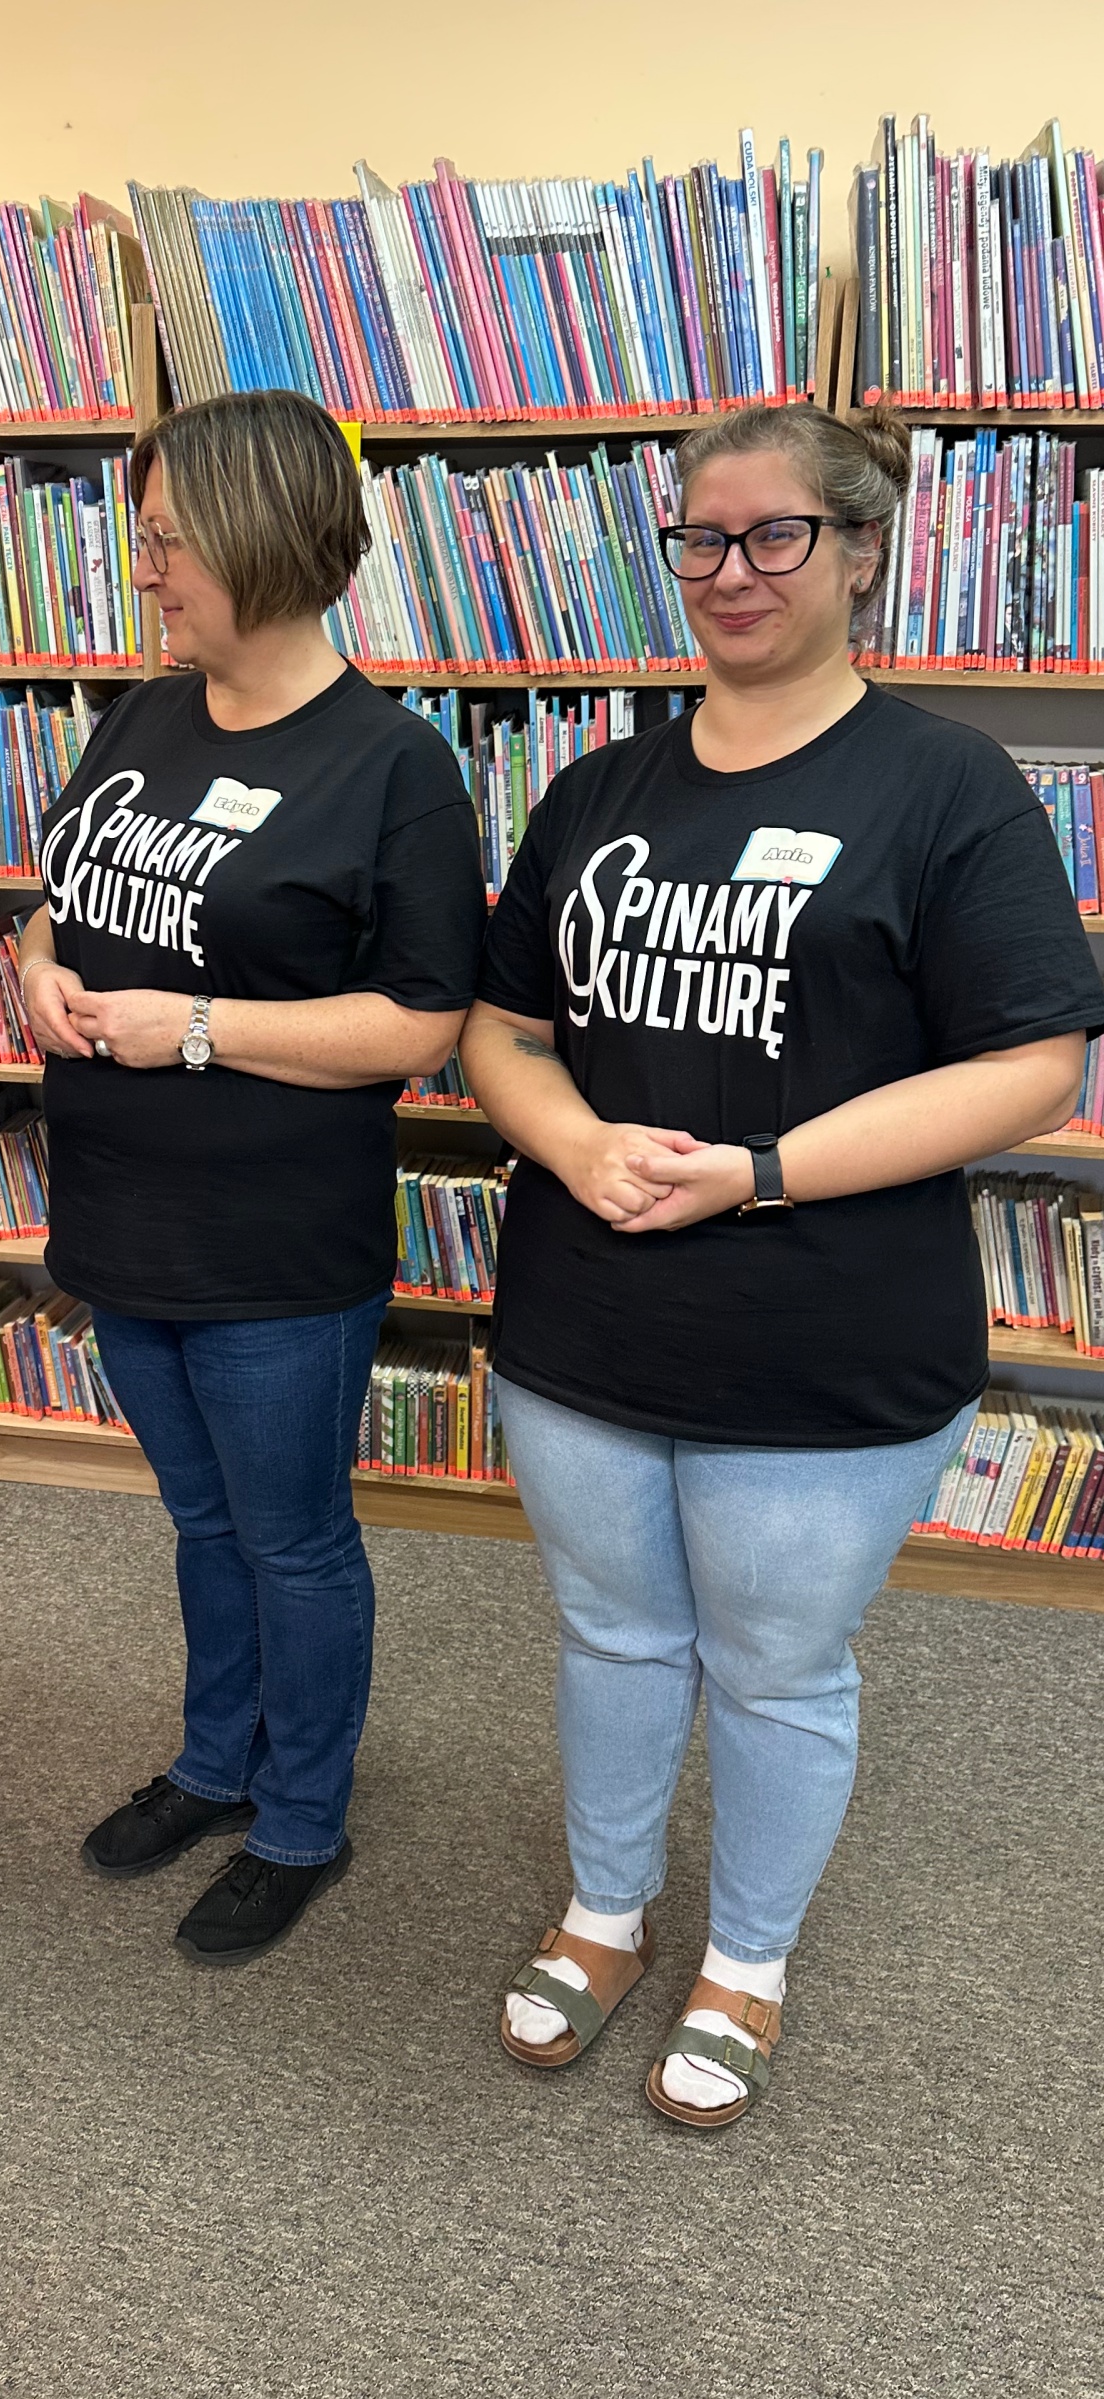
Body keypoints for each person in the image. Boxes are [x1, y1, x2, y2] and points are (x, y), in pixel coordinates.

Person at [461, 400, 1104, 2127]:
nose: (730, 570)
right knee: (612, 1636)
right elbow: (500, 1030)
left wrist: (760, 1174)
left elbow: (1035, 1062)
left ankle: (746, 1961)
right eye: (701, 536)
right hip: (586, 1320)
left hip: (827, 1338)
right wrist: (569, 1140)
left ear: (861, 552)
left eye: (774, 535)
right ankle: (605, 1916)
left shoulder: (946, 785)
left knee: (775, 1667)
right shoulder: (597, 790)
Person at [19, 390, 486, 1965]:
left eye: (168, 541)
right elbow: (60, 895)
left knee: (290, 1538)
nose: (144, 569)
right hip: (120, 1212)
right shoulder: (141, 719)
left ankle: (300, 1818)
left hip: (274, 1241)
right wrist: (37, 966)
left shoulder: (394, 766)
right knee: (202, 1522)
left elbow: (420, 1020)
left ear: (264, 541)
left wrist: (203, 1027)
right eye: (143, 538)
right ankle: (216, 1760)